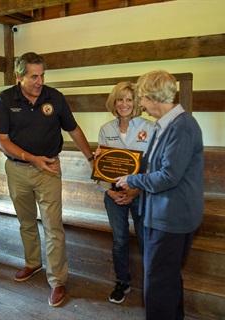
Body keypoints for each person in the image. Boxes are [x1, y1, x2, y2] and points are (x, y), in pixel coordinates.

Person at [0, 52, 94, 307]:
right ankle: (33, 263)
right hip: (17, 170)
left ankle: (57, 280)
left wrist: (91, 158)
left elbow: (73, 128)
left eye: (42, 75)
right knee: (26, 222)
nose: (39, 81)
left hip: (48, 169)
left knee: (53, 226)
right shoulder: (5, 99)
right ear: (19, 77)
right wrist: (30, 158)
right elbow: (0, 140)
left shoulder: (54, 97)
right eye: (33, 76)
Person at [115, 70, 204, 320]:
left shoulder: (183, 126)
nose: (139, 104)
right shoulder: (161, 125)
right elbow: (149, 165)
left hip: (172, 218)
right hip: (159, 214)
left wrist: (132, 180)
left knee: (157, 283)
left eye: (141, 98)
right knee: (167, 278)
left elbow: (168, 176)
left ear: (154, 98)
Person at [96, 82, 153, 304]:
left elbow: (153, 166)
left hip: (141, 194)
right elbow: (101, 166)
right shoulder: (106, 129)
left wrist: (136, 190)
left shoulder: (150, 128)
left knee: (145, 239)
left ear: (137, 103)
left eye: (129, 99)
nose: (124, 104)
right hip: (113, 196)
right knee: (119, 240)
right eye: (120, 99)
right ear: (114, 102)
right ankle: (123, 282)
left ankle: (152, 283)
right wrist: (110, 192)